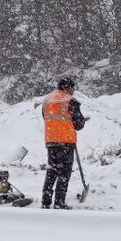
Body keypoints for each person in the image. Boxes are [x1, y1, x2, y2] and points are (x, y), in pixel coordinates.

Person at [40, 76, 88, 209]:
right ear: (68, 88)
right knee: (64, 172)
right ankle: (59, 202)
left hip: (51, 141)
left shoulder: (47, 101)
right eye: (73, 88)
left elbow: (45, 117)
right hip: (66, 141)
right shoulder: (70, 101)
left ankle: (46, 200)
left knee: (52, 171)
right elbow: (79, 124)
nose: (74, 91)